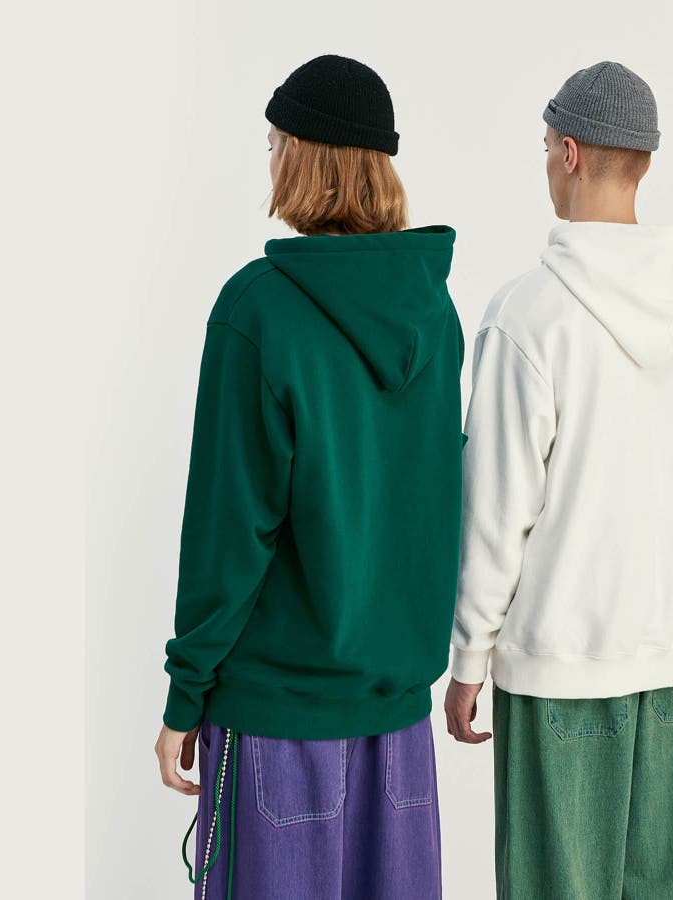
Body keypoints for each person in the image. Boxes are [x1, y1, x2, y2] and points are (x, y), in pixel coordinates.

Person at [154, 54, 464, 899]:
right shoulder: (434, 314)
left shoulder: (258, 308)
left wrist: (185, 693)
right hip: (399, 732)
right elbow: (436, 504)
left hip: (277, 721)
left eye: (274, 143)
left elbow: (230, 526)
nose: (270, 161)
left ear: (302, 154)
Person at [444, 61, 673, 899]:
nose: (545, 163)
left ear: (569, 153)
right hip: (656, 672)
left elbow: (496, 510)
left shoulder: (531, 316)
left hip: (556, 673)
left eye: (545, 147)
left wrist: (469, 657)